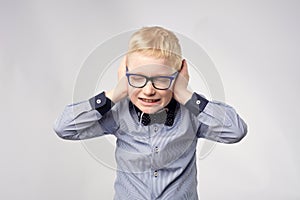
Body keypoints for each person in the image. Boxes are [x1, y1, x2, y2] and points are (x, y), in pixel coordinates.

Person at [53, 26, 247, 200]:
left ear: (179, 75)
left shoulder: (193, 113)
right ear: (125, 73)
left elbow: (235, 131)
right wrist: (116, 93)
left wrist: (185, 94)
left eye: (161, 80)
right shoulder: (119, 113)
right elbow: (64, 128)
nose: (148, 90)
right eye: (137, 78)